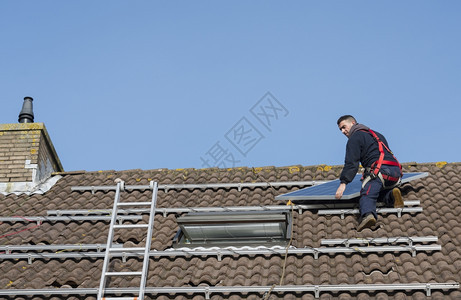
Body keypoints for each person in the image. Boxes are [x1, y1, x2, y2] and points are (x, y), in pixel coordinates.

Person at [335, 115, 404, 231]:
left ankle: (368, 216)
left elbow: (351, 164)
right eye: (340, 129)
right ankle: (392, 195)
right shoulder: (377, 134)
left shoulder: (355, 138)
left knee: (367, 194)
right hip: (395, 173)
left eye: (344, 127)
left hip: (379, 172)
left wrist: (343, 183)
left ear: (352, 123)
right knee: (380, 194)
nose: (343, 131)